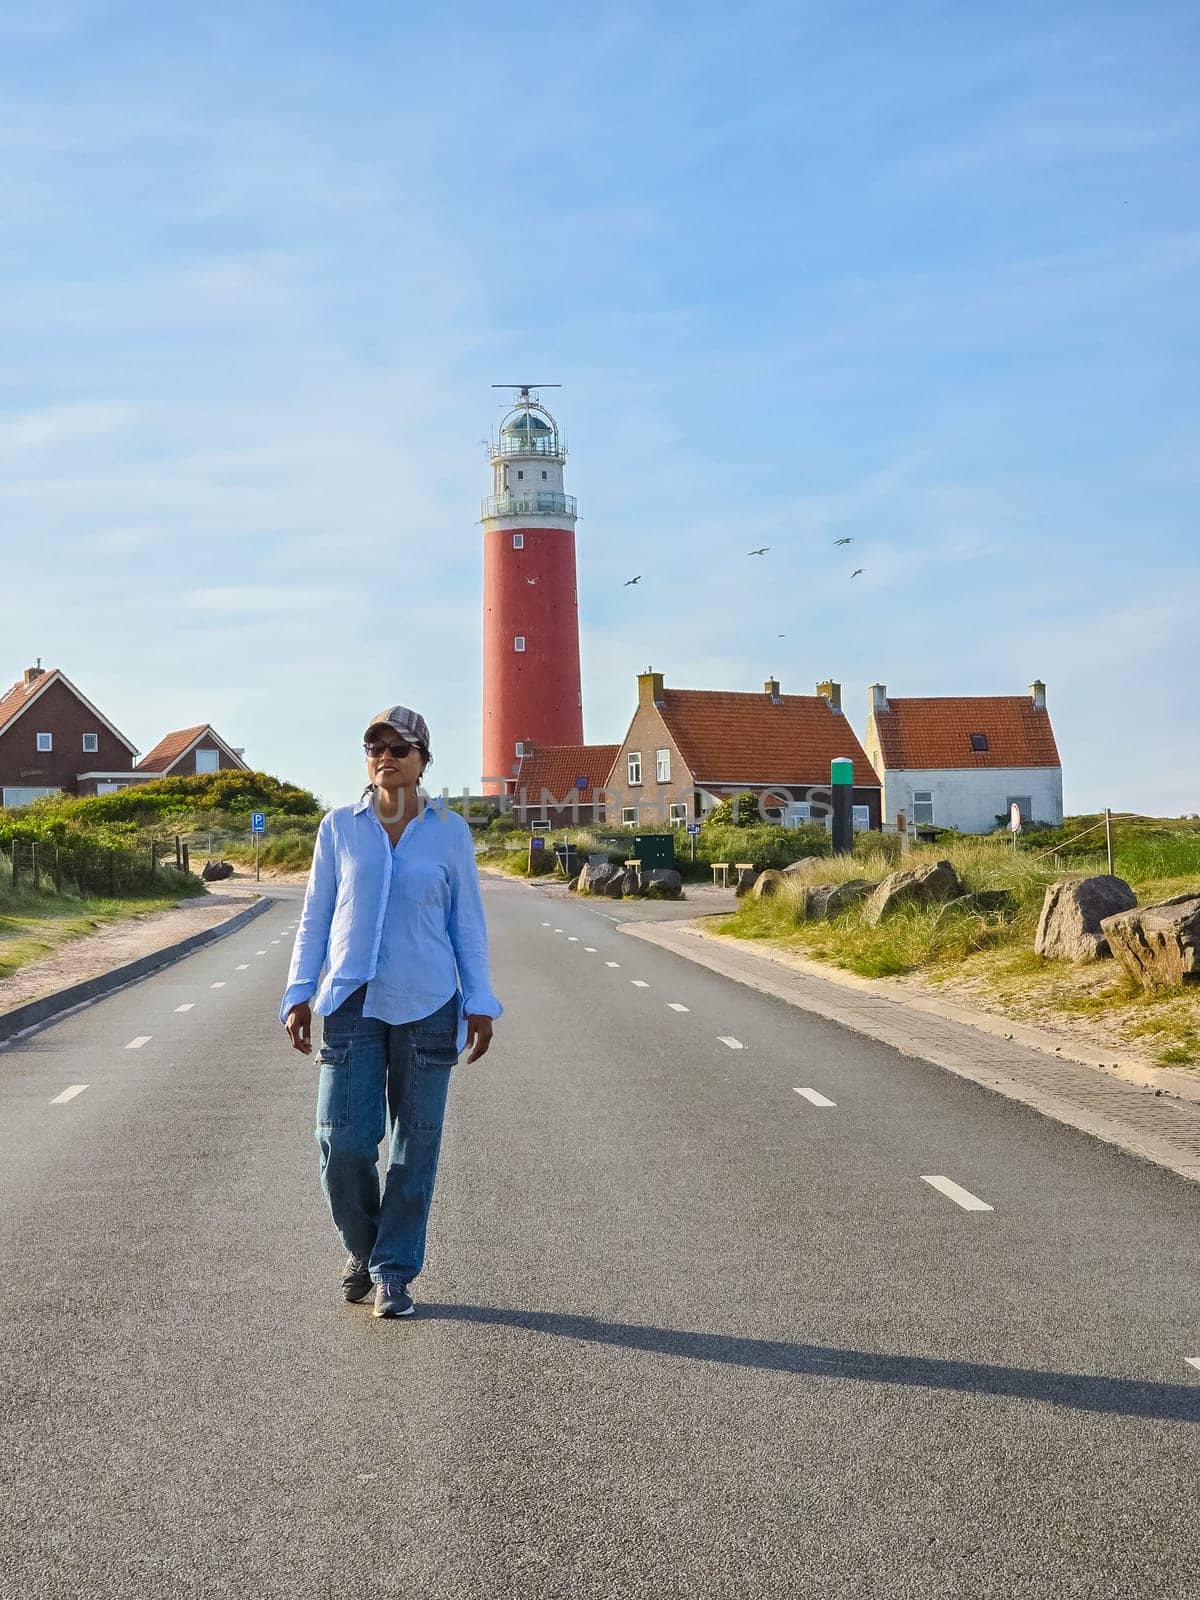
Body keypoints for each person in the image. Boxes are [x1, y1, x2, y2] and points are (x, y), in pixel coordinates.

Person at [281, 705, 502, 1319]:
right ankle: (364, 1246)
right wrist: (298, 991)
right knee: (342, 1141)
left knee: (415, 1146)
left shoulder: (449, 831)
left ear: (423, 758)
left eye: (398, 747)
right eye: (374, 746)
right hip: (351, 1003)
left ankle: (393, 1273)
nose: (384, 755)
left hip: (431, 1003)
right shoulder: (338, 828)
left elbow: (468, 925)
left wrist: (479, 1002)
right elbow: (316, 917)